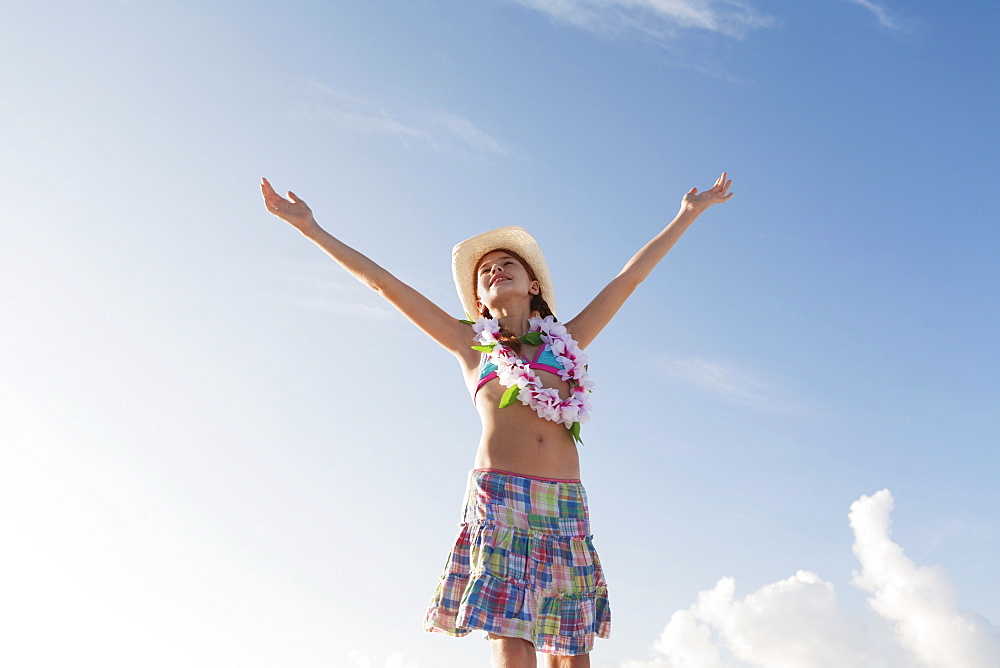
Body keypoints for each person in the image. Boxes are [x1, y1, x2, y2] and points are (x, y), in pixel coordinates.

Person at [260, 173, 734, 667]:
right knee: (512, 635)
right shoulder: (471, 346)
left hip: (564, 502)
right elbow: (386, 285)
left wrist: (686, 214)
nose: (494, 270)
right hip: (501, 497)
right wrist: (311, 228)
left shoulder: (567, 341)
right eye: (484, 271)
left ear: (533, 286)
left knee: (571, 654)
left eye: (506, 263)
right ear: (480, 301)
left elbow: (629, 279)